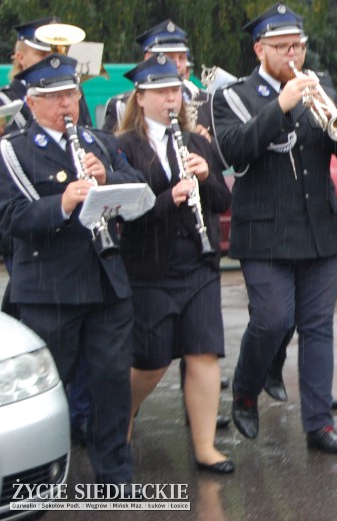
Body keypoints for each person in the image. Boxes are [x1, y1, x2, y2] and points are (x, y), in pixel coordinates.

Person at [212, 2, 337, 454]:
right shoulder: (233, 96)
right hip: (264, 232)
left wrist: (332, 109)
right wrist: (281, 103)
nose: (292, 54)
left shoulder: (319, 86)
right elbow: (237, 152)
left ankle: (318, 425)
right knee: (274, 319)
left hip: (318, 229)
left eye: (297, 45)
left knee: (318, 326)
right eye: (281, 47)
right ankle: (245, 388)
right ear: (260, 49)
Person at [0, 53, 143, 485]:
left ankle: (114, 472)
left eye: (72, 95)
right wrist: (62, 204)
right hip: (50, 289)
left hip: (105, 282)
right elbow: (9, 219)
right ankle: (29, 474)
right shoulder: (13, 150)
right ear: (32, 100)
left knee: (112, 382)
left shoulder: (99, 141)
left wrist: (108, 181)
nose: (68, 105)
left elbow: (136, 187)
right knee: (42, 387)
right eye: (56, 97)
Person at [115, 54, 234, 474]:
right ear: (142, 97)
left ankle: (205, 447)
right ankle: (119, 421)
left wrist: (206, 178)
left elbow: (223, 202)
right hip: (149, 268)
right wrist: (171, 197)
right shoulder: (124, 147)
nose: (173, 99)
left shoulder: (197, 142)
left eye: (176, 92)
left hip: (198, 264)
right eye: (163, 92)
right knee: (151, 360)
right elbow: (125, 210)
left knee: (204, 353)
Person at [102, 20, 211, 139]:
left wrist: (207, 143)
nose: (178, 64)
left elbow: (223, 152)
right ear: (148, 58)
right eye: (170, 58)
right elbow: (109, 150)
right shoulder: (120, 105)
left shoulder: (205, 99)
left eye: (182, 58)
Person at [2, 16, 94, 133]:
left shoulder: (73, 91)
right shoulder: (4, 100)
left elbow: (87, 134)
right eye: (42, 54)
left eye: (56, 54)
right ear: (21, 58)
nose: (52, 61)